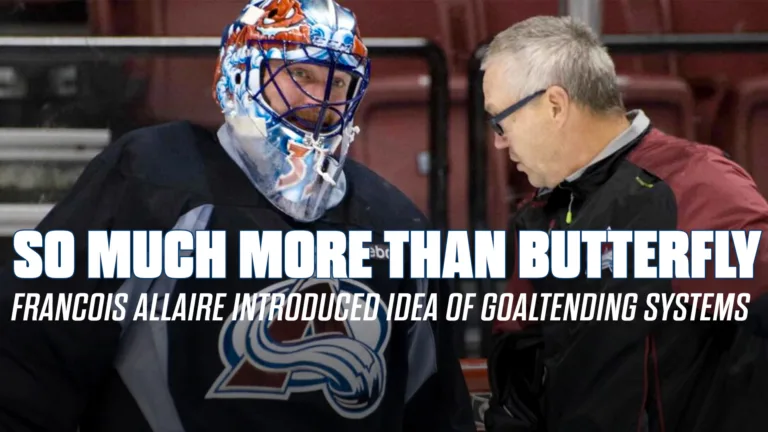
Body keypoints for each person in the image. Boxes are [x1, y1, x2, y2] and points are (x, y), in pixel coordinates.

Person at [0, 1, 475, 431]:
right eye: (302, 76)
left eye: (339, 83)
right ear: (238, 73)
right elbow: (31, 360)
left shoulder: (394, 224)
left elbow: (432, 408)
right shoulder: (152, 180)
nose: (320, 100)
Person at [481, 15, 768, 432]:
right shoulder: (541, 215)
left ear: (555, 106)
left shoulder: (696, 185)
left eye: (499, 120)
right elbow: (519, 383)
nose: (498, 141)